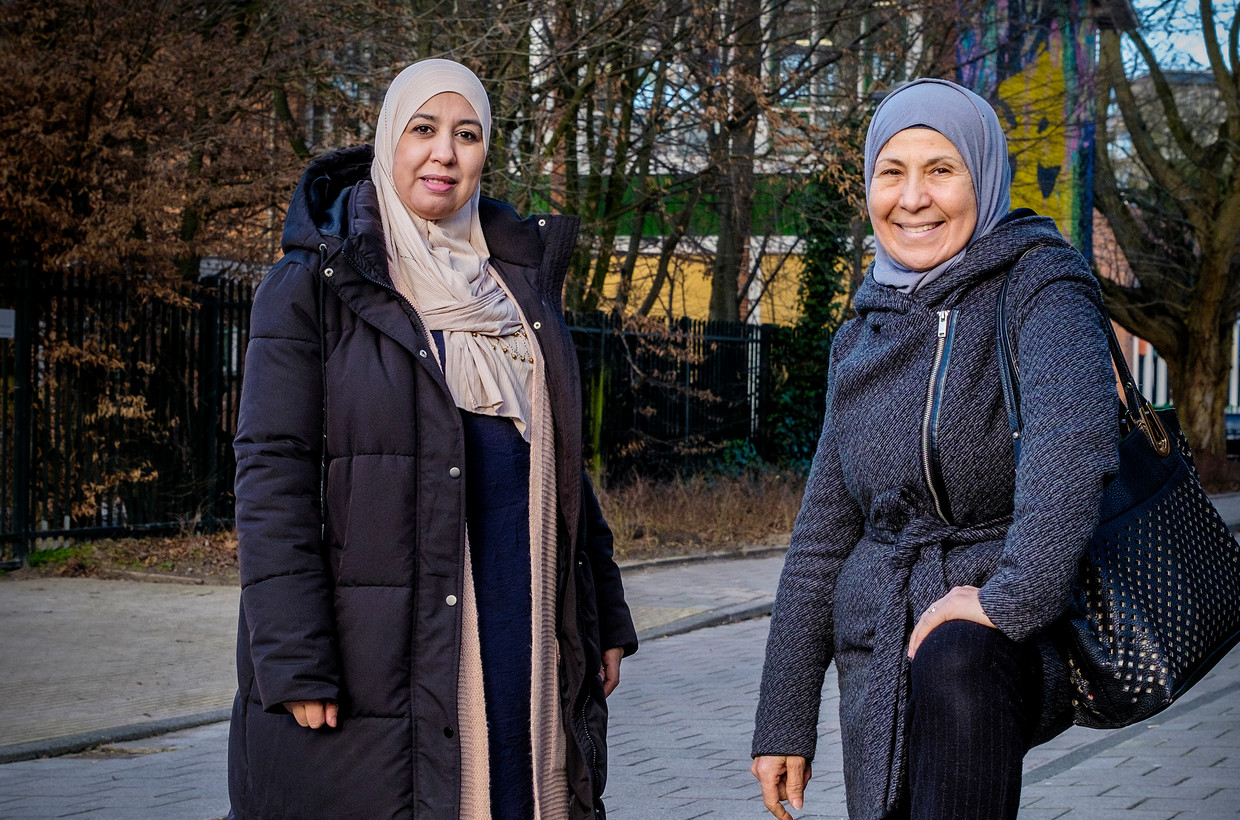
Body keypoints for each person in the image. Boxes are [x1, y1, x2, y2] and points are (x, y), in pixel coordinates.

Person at [227, 58, 638, 820]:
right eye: (424, 129)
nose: (444, 153)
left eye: (467, 134)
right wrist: (293, 655)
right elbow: (271, 477)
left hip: (522, 633)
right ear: (390, 139)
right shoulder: (317, 283)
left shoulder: (519, 287)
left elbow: (563, 466)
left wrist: (602, 612)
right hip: (378, 648)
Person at [750, 78, 1120, 820]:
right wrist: (783, 718)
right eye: (893, 172)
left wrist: (1002, 601)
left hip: (1001, 639)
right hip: (879, 645)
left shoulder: (1042, 285)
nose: (912, 197)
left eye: (941, 170)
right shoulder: (861, 331)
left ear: (981, 175)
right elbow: (822, 538)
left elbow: (1071, 452)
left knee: (955, 655)